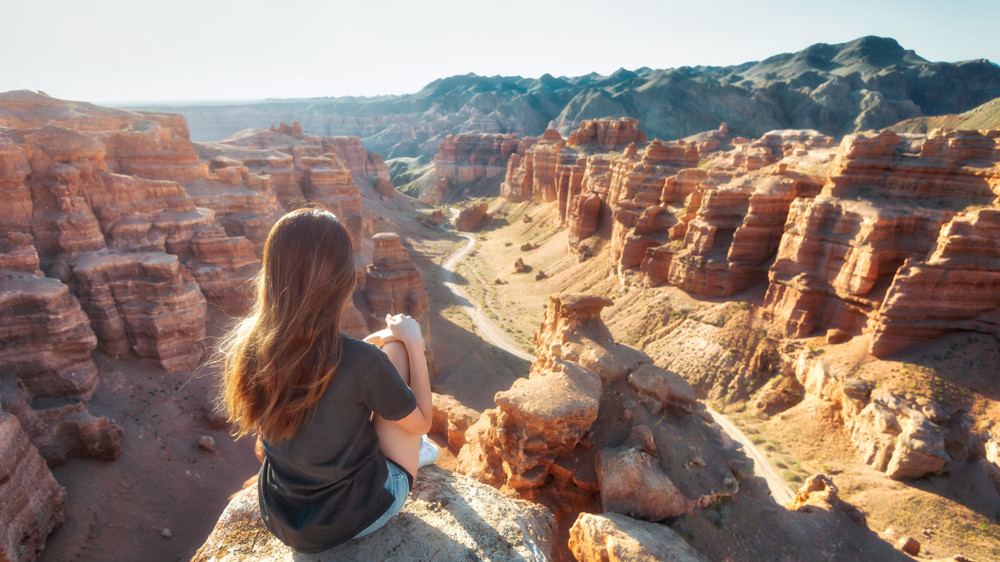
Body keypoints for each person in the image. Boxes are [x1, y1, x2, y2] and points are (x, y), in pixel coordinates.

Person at [219, 207, 437, 553]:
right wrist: (414, 343)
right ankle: (415, 453)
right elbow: (424, 420)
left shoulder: (250, 346)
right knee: (398, 364)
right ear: (344, 281)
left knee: (381, 361)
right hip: (357, 515)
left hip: (282, 517)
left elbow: (319, 386)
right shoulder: (362, 362)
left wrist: (375, 345)